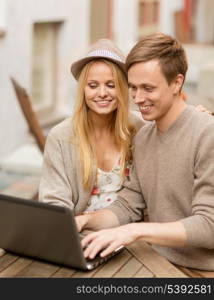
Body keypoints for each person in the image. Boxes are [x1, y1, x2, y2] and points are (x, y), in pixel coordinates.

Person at [76, 33, 214, 271]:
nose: (138, 99)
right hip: (152, 260)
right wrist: (87, 219)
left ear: (177, 83)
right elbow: (129, 205)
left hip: (199, 270)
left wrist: (134, 231)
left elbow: (209, 226)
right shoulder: (143, 138)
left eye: (148, 88)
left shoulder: (206, 134)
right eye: (133, 88)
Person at [39, 39, 143, 214]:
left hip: (130, 231)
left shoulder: (140, 129)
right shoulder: (61, 137)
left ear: (123, 88)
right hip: (79, 231)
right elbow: (54, 201)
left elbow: (171, 124)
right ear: (83, 90)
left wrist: (198, 115)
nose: (102, 93)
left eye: (111, 85)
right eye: (93, 86)